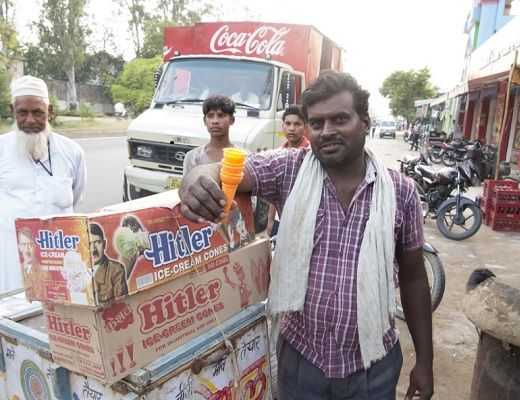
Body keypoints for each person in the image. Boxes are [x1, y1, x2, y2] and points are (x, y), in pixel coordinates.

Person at [179, 71, 434, 400]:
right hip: (302, 361)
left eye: (340, 119)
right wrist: (200, 172)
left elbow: (414, 279)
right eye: (317, 123)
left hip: (373, 364)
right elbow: (237, 170)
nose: (327, 132)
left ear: (365, 122)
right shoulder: (290, 169)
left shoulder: (400, 191)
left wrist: (425, 362)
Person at [0, 75, 87, 293]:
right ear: (13, 110)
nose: (29, 120)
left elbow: (75, 195)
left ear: (50, 112)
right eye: (22, 112)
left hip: (60, 256)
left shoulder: (72, 151)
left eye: (37, 112)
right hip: (12, 258)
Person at [267, 104, 310, 236]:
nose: (292, 128)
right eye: (288, 123)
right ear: (283, 126)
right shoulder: (277, 154)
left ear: (305, 127)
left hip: (305, 223)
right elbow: (274, 193)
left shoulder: (311, 155)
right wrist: (270, 222)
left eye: (297, 124)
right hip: (281, 221)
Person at [182, 95, 236, 177]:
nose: (215, 121)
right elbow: (187, 188)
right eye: (210, 116)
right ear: (204, 121)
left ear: (232, 120)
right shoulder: (193, 157)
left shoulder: (243, 158)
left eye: (221, 115)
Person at [90, 223, 128, 303]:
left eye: (97, 242)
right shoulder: (78, 271)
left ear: (104, 244)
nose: (93, 250)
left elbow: (122, 305)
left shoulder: (116, 270)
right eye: (89, 244)